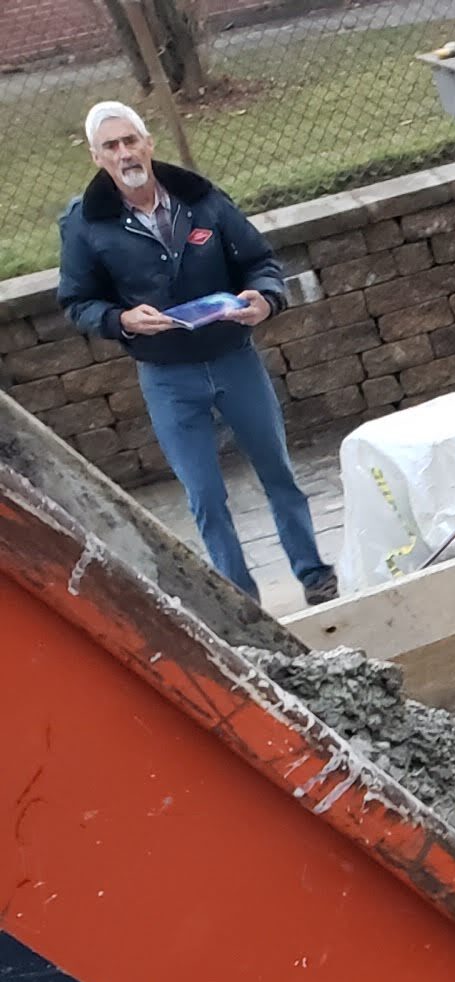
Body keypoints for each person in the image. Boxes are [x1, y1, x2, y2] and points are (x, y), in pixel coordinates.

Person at [56, 101, 337, 606]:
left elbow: (259, 261)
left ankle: (315, 574)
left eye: (130, 141)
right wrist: (121, 320)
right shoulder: (85, 222)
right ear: (97, 158)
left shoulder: (200, 198)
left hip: (233, 357)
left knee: (278, 472)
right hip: (166, 376)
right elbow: (77, 301)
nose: (124, 153)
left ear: (149, 144)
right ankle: (242, 604)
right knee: (205, 496)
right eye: (111, 147)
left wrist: (265, 298)